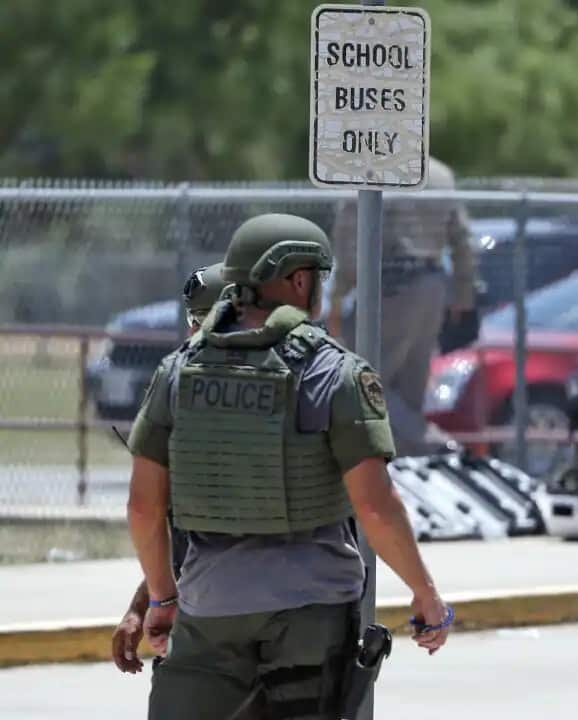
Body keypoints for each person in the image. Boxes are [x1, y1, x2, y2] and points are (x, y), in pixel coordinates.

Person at [127, 214, 452, 720]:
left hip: (210, 604)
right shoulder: (334, 372)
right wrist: (424, 594)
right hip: (312, 611)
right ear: (299, 279)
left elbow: (144, 509)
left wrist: (162, 599)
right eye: (317, 275)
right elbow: (376, 507)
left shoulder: (178, 371)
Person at [111, 262, 229, 674]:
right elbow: (184, 535)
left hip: (233, 615)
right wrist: (142, 605)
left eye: (204, 320)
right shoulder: (181, 393)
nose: (194, 333)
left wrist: (158, 602)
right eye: (192, 320)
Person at [327, 155, 477, 456]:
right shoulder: (441, 174)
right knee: (410, 389)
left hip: (387, 285)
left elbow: (349, 238)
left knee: (363, 382)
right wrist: (463, 295)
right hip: (432, 284)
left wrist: (339, 294)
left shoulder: (370, 167)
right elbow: (463, 240)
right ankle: (408, 465)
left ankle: (432, 445)